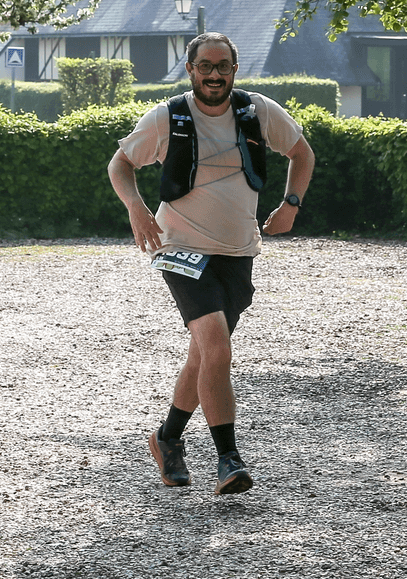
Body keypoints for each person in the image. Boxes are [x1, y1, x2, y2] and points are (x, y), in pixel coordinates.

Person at [107, 32, 315, 494]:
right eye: (206, 66)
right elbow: (119, 165)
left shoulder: (258, 112)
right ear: (190, 70)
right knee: (216, 344)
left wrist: (291, 204)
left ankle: (167, 439)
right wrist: (137, 210)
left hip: (239, 249)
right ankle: (228, 458)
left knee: (204, 355)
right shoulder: (167, 117)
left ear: (235, 69)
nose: (215, 75)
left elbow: (302, 153)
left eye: (223, 66)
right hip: (179, 247)